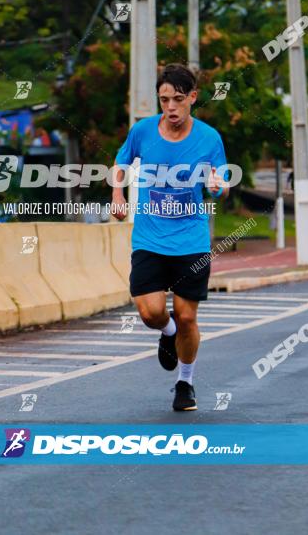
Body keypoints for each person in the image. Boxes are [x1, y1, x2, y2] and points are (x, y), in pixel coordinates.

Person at [111, 63, 229, 411]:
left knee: (188, 315)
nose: (171, 107)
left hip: (191, 240)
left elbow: (221, 181)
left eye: (178, 99)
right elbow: (121, 162)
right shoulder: (143, 132)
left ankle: (185, 383)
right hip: (149, 238)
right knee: (150, 313)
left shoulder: (209, 138)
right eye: (165, 100)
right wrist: (117, 195)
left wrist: (217, 186)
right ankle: (168, 333)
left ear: (192, 97)